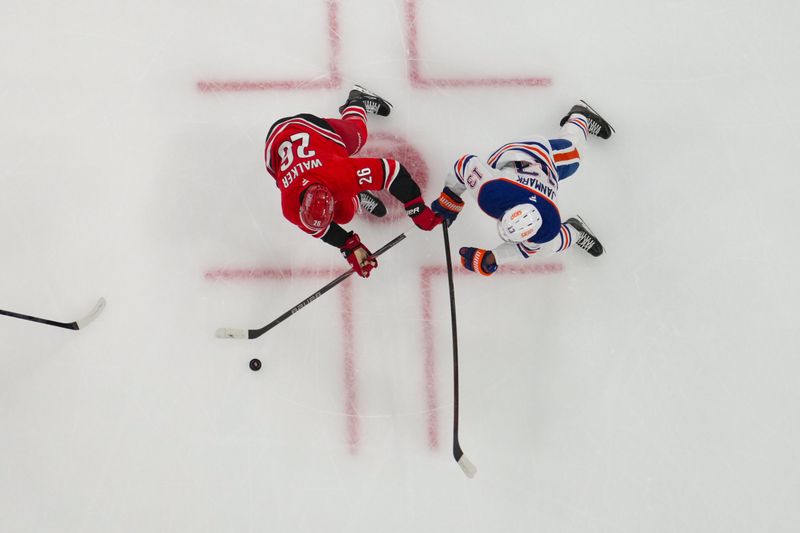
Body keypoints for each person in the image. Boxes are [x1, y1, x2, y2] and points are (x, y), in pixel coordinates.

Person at [264, 85, 442, 277]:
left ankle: (357, 101)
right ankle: (357, 195)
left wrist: (415, 206)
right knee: (344, 215)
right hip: (275, 147)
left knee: (357, 137)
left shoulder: (341, 175)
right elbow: (321, 230)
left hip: (311, 130)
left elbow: (393, 171)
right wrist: (349, 246)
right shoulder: (290, 207)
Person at [430, 100, 614, 276]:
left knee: (544, 248)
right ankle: (575, 232)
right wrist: (450, 197)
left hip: (539, 167)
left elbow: (525, 248)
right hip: (520, 158)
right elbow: (465, 164)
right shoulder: (492, 193)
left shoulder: (547, 224)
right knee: (544, 247)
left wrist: (491, 257)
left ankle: (575, 231)